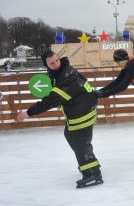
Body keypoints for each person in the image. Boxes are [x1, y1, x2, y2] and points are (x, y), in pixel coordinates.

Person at [15, 50, 102, 188]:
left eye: (56, 61)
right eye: (52, 63)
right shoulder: (64, 71)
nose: (55, 64)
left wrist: (28, 113)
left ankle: (93, 174)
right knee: (69, 135)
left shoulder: (64, 79)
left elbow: (49, 102)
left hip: (82, 113)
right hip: (79, 109)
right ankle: (88, 164)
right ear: (47, 65)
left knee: (81, 144)